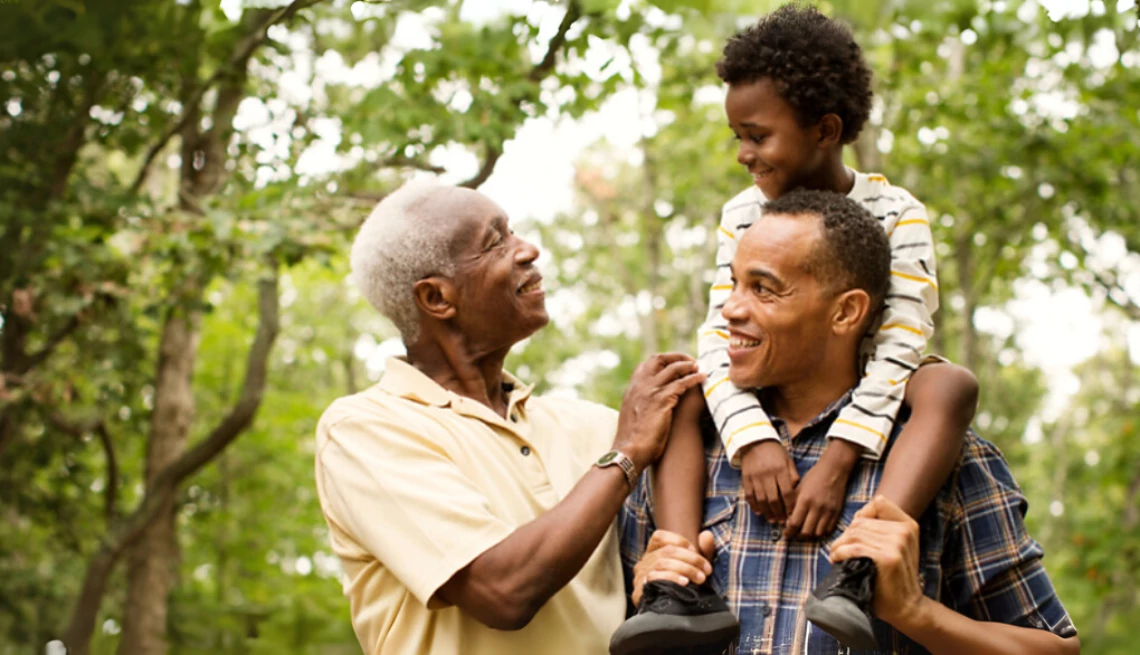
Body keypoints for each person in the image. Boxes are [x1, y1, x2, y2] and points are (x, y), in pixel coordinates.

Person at [611, 6, 978, 651]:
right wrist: (752, 440)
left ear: (825, 130)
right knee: (684, 385)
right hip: (765, 389)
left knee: (948, 386)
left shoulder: (896, 212)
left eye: (757, 136)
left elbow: (901, 344)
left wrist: (838, 460)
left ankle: (861, 569)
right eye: (737, 137)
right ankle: (681, 583)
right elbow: (723, 336)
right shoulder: (744, 211)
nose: (744, 155)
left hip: (872, 391)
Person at [621, 190, 1079, 654]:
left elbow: (1058, 650)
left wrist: (915, 613)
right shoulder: (679, 452)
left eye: (763, 289)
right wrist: (644, 588)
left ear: (845, 312)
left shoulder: (943, 456)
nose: (731, 310)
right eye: (734, 284)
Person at [313, 180, 708, 654]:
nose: (528, 250)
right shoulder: (365, 430)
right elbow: (502, 592)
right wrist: (625, 455)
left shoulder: (589, 425)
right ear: (437, 299)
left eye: (513, 231)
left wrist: (660, 563)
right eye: (495, 242)